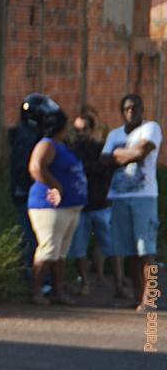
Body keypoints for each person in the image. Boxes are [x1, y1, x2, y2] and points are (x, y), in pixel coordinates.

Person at [100, 94, 162, 311]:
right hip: (118, 196)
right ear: (121, 111)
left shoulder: (151, 128)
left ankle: (150, 296)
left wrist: (119, 154)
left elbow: (141, 153)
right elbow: (104, 160)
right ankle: (138, 295)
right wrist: (129, 154)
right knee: (129, 251)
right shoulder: (114, 134)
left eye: (135, 108)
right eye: (126, 109)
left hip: (144, 196)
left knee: (146, 249)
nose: (131, 112)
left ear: (142, 109)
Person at [27, 97, 88, 305]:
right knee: (48, 249)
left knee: (61, 252)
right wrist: (56, 185)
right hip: (49, 207)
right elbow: (36, 168)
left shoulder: (61, 145)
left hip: (69, 208)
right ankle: (36, 292)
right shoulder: (47, 144)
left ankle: (58, 291)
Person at [66, 113, 113, 295]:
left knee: (106, 243)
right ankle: (85, 281)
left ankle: (102, 276)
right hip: (80, 205)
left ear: (91, 130)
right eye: (77, 130)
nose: (81, 133)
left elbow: (104, 168)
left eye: (84, 129)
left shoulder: (99, 148)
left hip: (100, 202)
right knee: (79, 247)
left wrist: (86, 167)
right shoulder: (70, 150)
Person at [9, 94, 45, 279]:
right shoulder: (28, 135)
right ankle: (32, 280)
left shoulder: (26, 133)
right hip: (27, 193)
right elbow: (25, 167)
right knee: (31, 238)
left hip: (25, 192)